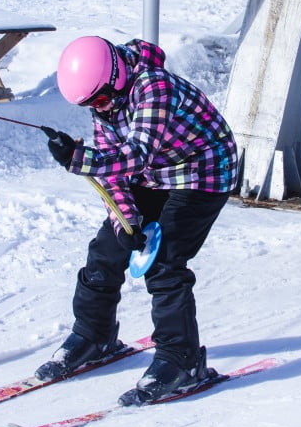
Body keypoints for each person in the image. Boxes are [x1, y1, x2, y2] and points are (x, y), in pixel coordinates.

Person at [38, 35, 238, 405]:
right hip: (157, 174)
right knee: (106, 251)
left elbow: (138, 153)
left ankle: (182, 360)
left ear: (115, 76)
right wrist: (125, 222)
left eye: (99, 100)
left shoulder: (153, 86)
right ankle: (93, 335)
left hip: (203, 171)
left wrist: (79, 159)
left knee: (164, 263)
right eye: (89, 105)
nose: (98, 109)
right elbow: (115, 176)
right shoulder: (107, 107)